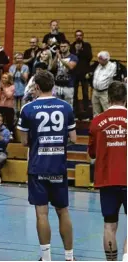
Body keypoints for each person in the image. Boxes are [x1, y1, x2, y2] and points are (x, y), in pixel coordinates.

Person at [17, 70, 77, 261]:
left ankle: (47, 257)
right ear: (53, 86)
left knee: (41, 213)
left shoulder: (28, 109)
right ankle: (69, 257)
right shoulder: (65, 107)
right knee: (63, 211)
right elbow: (73, 139)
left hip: (38, 166)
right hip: (58, 166)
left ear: (36, 87)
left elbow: (24, 141)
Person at [87, 81, 127, 261]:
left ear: (108, 98)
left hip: (107, 180)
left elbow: (92, 153)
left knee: (109, 225)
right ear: (125, 98)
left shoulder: (97, 122)